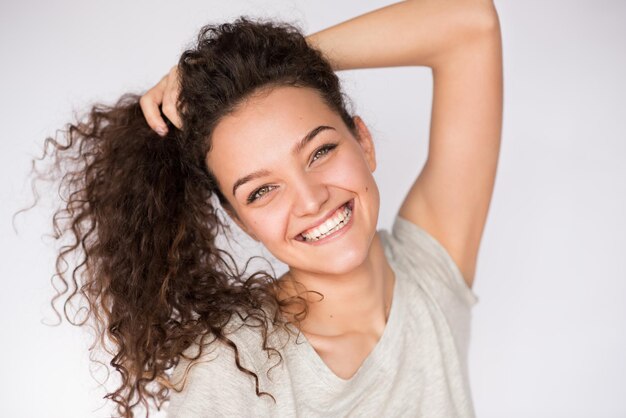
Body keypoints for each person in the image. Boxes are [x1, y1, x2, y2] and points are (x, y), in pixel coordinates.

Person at [34, 0, 502, 416]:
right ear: (241, 220)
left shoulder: (428, 270)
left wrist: (291, 60)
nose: (311, 198)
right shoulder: (235, 373)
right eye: (261, 191)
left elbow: (469, 21)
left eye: (320, 151)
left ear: (364, 142)